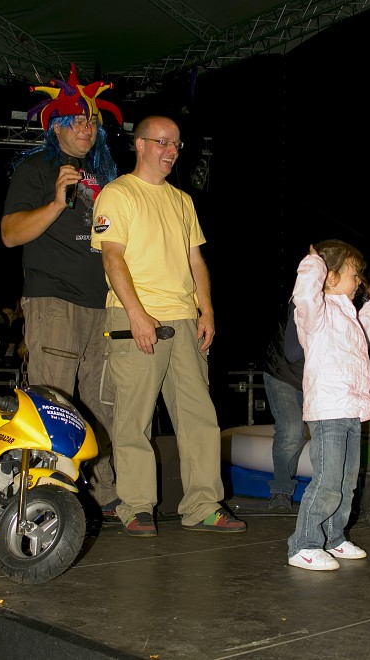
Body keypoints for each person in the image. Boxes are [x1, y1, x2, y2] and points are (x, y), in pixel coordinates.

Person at [90, 114, 246, 536]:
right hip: (136, 317)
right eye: (162, 142)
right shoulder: (118, 193)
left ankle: (202, 505)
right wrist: (137, 314)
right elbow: (112, 258)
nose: (171, 151)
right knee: (133, 418)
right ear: (140, 144)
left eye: (176, 144)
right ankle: (136, 506)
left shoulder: (181, 200)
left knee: (200, 417)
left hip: (184, 320)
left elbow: (196, 260)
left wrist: (205, 310)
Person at [0, 64, 123, 518]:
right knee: (53, 404)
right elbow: (10, 235)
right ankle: (45, 497)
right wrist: (55, 202)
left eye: (90, 121)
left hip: (104, 304)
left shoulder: (106, 176)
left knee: (103, 404)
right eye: (75, 121)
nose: (85, 128)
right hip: (54, 300)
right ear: (56, 126)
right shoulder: (37, 169)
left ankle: (105, 496)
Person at [288, 239, 370, 571]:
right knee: (327, 480)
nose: (358, 281)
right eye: (354, 274)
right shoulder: (316, 312)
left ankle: (334, 537)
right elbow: (304, 296)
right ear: (330, 277)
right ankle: (304, 544)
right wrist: (314, 264)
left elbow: (360, 338)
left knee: (346, 482)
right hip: (329, 410)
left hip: (350, 410)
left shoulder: (347, 313)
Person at [263, 298, 307, 512]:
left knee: (330, 432)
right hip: (283, 374)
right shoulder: (302, 299)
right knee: (291, 429)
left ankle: (330, 493)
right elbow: (293, 351)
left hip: (317, 380)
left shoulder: (349, 307)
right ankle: (281, 490)